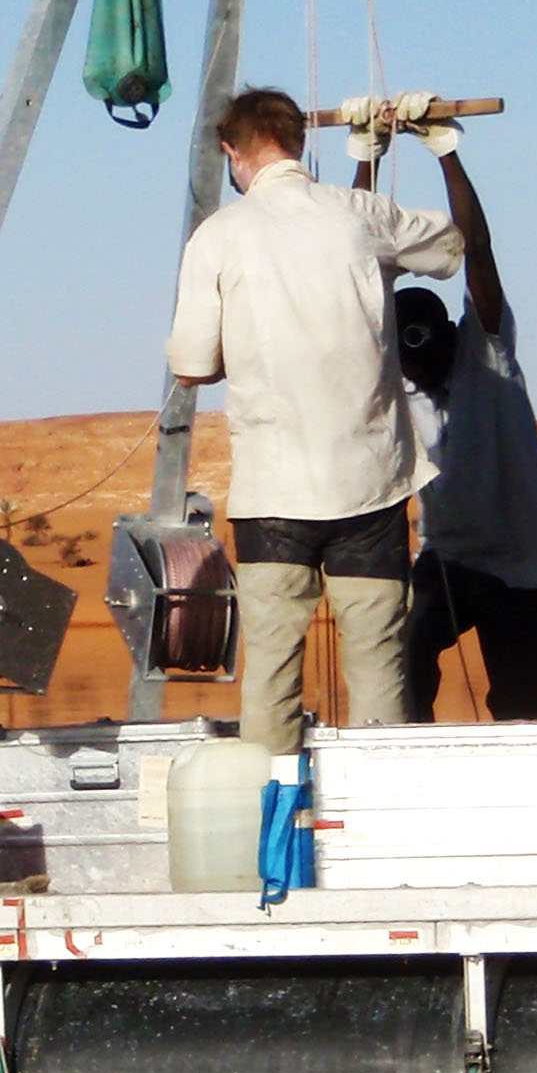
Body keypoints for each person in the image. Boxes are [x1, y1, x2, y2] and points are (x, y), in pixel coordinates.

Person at [165, 85, 467, 752]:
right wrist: (435, 146)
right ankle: (375, 820)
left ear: (231, 152)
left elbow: (191, 365)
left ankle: (274, 826)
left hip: (273, 494)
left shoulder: (218, 235)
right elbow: (449, 247)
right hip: (370, 489)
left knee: (271, 667)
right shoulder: (357, 213)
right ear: (298, 141)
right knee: (379, 666)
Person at [349, 95, 537, 722]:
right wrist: (366, 161)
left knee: (520, 706)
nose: (414, 354)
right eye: (401, 343)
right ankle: (413, 768)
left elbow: (478, 253)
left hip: (521, 567)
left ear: (450, 329)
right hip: (447, 561)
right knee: (405, 665)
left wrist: (446, 153)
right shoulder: (396, 384)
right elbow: (352, 263)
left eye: (424, 337)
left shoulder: (487, 357)